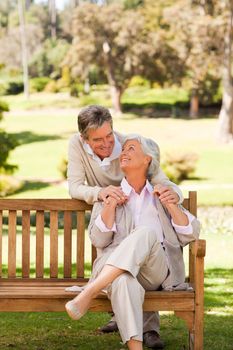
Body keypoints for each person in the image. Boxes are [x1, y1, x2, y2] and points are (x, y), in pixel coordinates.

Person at [65, 135, 200, 350]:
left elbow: (191, 233)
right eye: (124, 149)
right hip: (114, 270)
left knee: (145, 233)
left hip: (154, 272)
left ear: (147, 159)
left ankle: (89, 292)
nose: (123, 153)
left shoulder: (162, 194)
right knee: (123, 281)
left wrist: (172, 206)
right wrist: (109, 207)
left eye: (131, 149)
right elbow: (98, 239)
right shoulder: (110, 194)